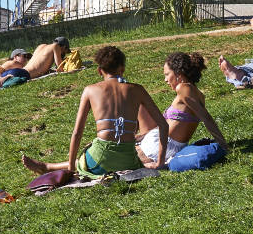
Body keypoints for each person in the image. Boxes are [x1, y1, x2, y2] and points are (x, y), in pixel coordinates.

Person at [20, 45, 164, 185]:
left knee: (88, 155)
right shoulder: (137, 90)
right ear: (122, 69)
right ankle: (47, 166)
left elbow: (77, 132)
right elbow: (163, 125)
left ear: (99, 71)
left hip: (100, 161)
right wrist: (160, 162)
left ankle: (48, 167)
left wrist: (71, 169)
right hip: (129, 161)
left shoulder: (90, 90)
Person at [138, 52, 226, 167]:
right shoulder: (191, 90)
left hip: (162, 145)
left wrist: (223, 144)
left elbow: (206, 117)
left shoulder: (183, 88)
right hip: (160, 140)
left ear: (178, 73)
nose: (165, 80)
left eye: (167, 74)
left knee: (119, 157)